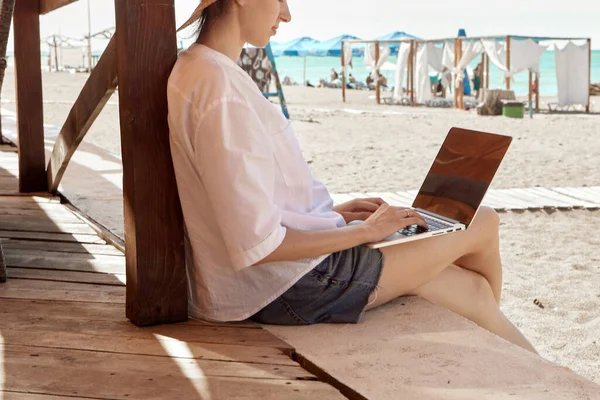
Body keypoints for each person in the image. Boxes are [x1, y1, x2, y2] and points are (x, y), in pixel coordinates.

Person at [167, 0, 537, 354]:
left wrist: (335, 215)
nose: (288, 14)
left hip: (272, 282)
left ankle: (534, 372)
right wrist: (363, 232)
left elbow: (243, 205)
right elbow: (256, 245)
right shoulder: (221, 91)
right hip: (290, 285)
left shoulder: (203, 70)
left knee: (473, 292)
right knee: (483, 221)